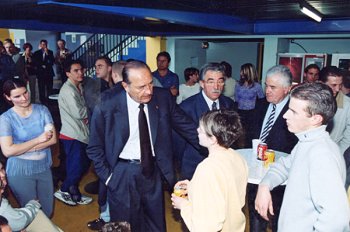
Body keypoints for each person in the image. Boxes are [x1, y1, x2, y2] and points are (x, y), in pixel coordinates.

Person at [87, 60, 200, 232]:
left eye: (150, 84)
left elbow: (188, 128)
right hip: (122, 173)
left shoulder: (162, 98)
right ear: (125, 86)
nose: (149, 91)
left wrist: (217, 149)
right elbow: (94, 147)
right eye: (141, 87)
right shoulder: (107, 103)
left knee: (156, 225)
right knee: (127, 227)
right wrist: (110, 178)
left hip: (153, 171)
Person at [255, 82, 350, 231]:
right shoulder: (306, 142)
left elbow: (336, 218)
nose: (285, 115)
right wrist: (265, 185)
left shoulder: (322, 155)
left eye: (293, 111)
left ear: (315, 119)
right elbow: (284, 166)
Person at [171, 109, 248, 232]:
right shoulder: (237, 157)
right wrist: (193, 187)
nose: (197, 130)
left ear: (213, 139)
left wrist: (183, 205)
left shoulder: (207, 168)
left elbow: (206, 226)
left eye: (201, 129)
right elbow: (225, 191)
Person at [248, 65, 298, 232]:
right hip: (256, 175)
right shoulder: (261, 105)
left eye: (273, 87)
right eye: (266, 85)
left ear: (287, 89)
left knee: (278, 222)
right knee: (256, 218)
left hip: (281, 179)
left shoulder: (296, 111)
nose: (267, 91)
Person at [0, 78, 56, 217]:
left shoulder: (42, 110)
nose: (24, 98)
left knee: (48, 208)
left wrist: (20, 148)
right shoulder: (6, 119)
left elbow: (52, 139)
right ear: (8, 97)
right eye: (17, 96)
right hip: (20, 171)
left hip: (43, 166)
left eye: (25, 93)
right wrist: (38, 140)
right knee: (31, 212)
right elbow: (7, 151)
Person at [178, 62, 236, 180]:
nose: (216, 86)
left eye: (220, 81)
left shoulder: (229, 104)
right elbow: (178, 144)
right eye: (211, 81)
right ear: (202, 83)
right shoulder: (187, 107)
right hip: (195, 167)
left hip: (222, 167)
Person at [55, 59, 92, 206]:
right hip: (72, 135)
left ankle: (74, 193)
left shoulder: (78, 86)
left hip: (79, 133)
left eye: (81, 69)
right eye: (76, 70)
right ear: (68, 73)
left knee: (78, 165)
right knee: (77, 166)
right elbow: (79, 112)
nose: (80, 72)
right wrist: (93, 111)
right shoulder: (68, 90)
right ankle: (63, 190)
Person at [0, 162, 62, 232]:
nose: (2, 175)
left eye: (2, 169)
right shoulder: (3, 210)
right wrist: (33, 205)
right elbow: (19, 222)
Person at [319, 66, 350, 154]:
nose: (337, 89)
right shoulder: (308, 100)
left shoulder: (348, 105)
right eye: (333, 85)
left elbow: (348, 139)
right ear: (321, 83)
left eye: (340, 85)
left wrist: (336, 155)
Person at [234, 63, 265, 147]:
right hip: (240, 112)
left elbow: (262, 100)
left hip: (252, 113)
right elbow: (236, 100)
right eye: (241, 71)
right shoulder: (238, 85)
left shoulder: (257, 86)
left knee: (250, 135)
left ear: (249, 72)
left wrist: (258, 114)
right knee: (239, 135)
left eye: (243, 71)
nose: (241, 73)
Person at [33, 39, 55, 104]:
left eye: (45, 44)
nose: (43, 46)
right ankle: (42, 101)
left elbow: (52, 61)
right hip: (41, 73)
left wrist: (47, 53)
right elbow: (35, 62)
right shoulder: (36, 53)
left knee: (49, 87)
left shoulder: (50, 52)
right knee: (41, 87)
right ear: (40, 45)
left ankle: (50, 100)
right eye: (42, 44)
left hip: (49, 73)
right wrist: (41, 65)